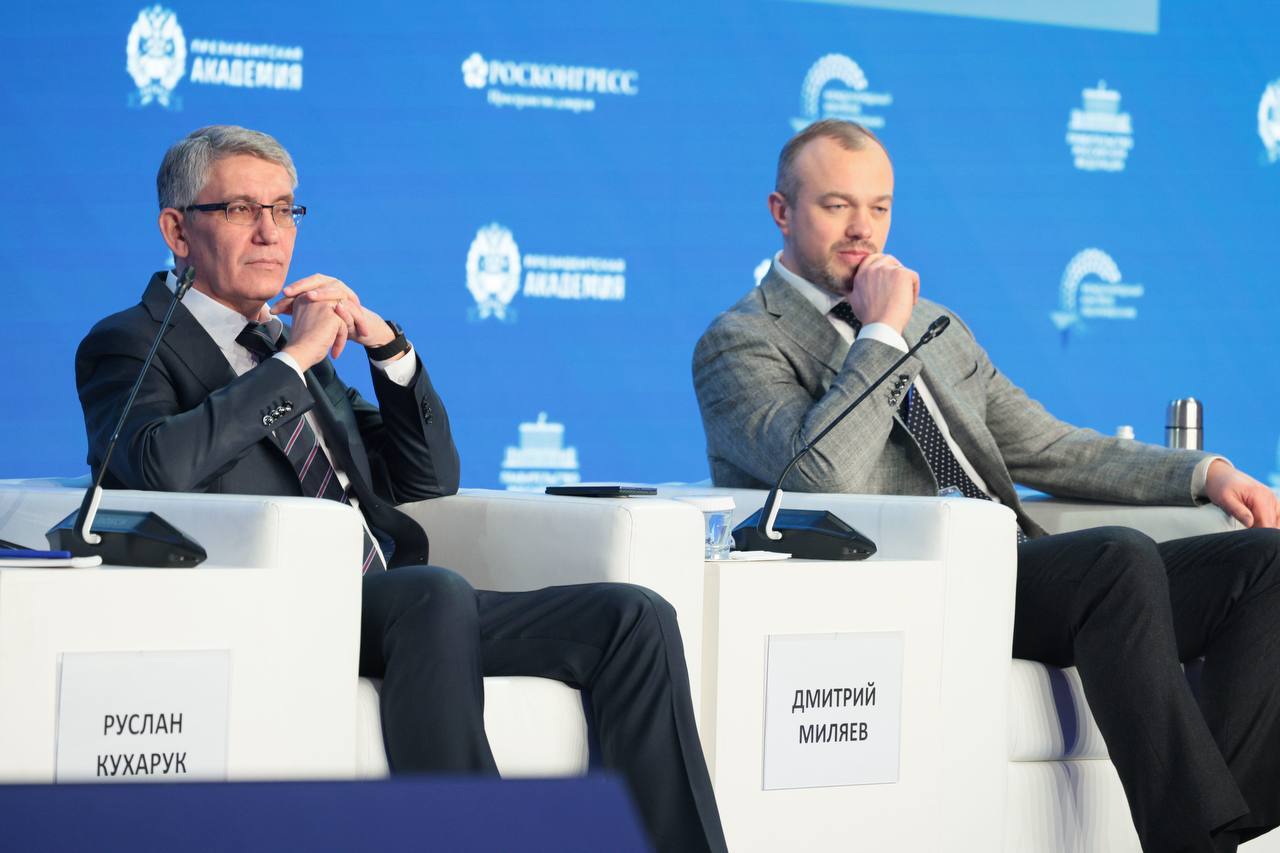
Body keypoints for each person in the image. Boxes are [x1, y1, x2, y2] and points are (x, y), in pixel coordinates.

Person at [77, 125, 726, 853]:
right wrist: (293, 362)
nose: (270, 231)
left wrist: (388, 350)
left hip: (395, 605)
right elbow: (154, 465)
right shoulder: (132, 343)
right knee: (432, 591)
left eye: (284, 209)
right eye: (240, 210)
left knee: (632, 617)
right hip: (275, 604)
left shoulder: (294, 348)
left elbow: (426, 479)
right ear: (177, 230)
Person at [693, 118, 1280, 853]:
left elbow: (1048, 444)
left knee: (1265, 563)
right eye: (837, 205)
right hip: (906, 585)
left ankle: (1219, 829)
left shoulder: (936, 325)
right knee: (1117, 558)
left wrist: (1204, 473)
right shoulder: (742, 341)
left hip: (1017, 573)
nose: (863, 228)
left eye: (879, 207)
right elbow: (821, 476)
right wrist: (881, 335)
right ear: (782, 212)